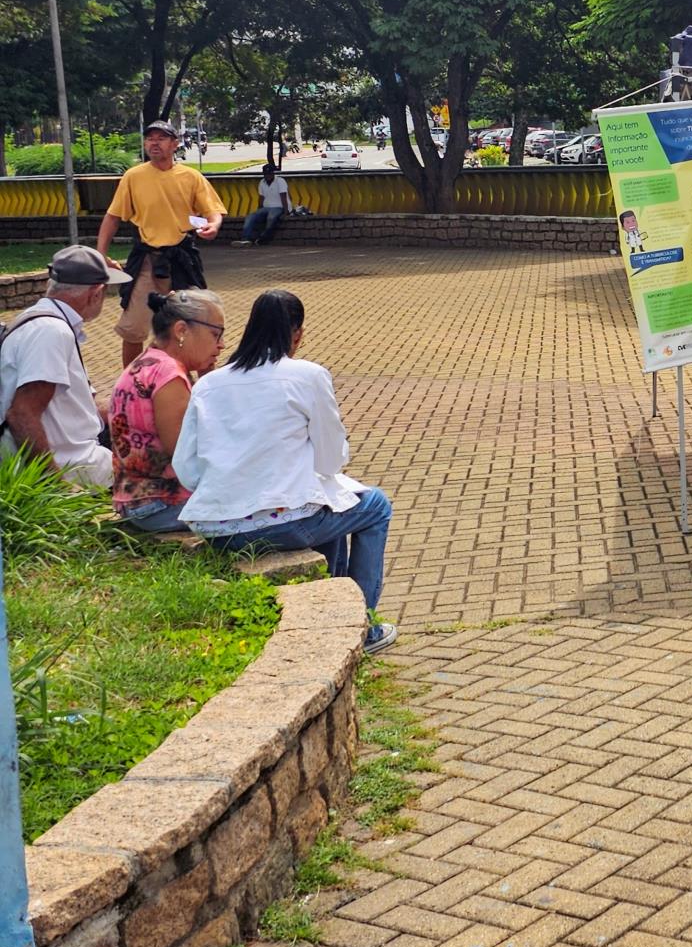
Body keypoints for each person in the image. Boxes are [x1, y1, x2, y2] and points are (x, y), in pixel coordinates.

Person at [174, 289, 397, 654]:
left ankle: (334, 622)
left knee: (330, 505)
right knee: (374, 506)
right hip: (282, 524)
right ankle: (363, 628)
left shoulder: (209, 384)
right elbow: (330, 460)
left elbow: (187, 468)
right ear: (296, 334)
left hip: (219, 527)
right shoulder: (308, 375)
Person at [97, 121, 224, 367]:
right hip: (147, 259)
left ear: (175, 144)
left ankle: (206, 388)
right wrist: (101, 254)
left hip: (182, 260)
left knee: (199, 322)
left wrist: (214, 225)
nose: (154, 142)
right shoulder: (133, 177)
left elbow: (213, 211)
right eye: (150, 138)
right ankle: (132, 385)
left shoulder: (190, 176)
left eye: (162, 138)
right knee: (133, 328)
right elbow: (112, 217)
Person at [0, 246, 129, 487]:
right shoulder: (52, 331)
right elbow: (21, 414)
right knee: (165, 476)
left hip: (73, 456)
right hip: (73, 465)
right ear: (96, 293)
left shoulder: (41, 320)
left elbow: (81, 406)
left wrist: (132, 415)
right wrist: (58, 486)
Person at [109, 290, 226, 532]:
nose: (221, 345)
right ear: (181, 330)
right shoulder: (169, 375)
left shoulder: (149, 361)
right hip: (161, 504)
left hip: (140, 502)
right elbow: (187, 455)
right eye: (215, 334)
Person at [236, 163, 291, 247]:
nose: (267, 176)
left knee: (271, 217)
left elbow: (283, 197)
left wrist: (286, 211)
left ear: (273, 173)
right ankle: (246, 239)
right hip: (266, 207)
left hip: (278, 207)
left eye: (269, 174)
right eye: (266, 174)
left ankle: (263, 238)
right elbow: (261, 198)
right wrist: (259, 210)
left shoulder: (280, 181)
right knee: (250, 217)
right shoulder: (262, 182)